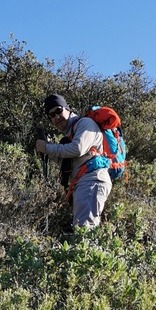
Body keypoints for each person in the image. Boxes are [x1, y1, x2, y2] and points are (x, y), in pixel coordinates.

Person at [35, 94, 112, 229]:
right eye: (51, 115)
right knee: (83, 229)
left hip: (92, 182)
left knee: (84, 230)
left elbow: (77, 149)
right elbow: (67, 161)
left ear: (67, 109)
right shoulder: (70, 132)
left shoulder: (85, 123)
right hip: (83, 184)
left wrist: (47, 147)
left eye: (59, 111)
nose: (56, 117)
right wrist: (46, 151)